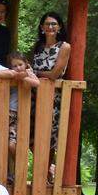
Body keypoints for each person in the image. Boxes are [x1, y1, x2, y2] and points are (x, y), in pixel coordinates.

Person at [32, 12, 71, 163]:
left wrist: (37, 73)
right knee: (32, 134)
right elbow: (28, 67)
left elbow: (55, 74)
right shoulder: (38, 46)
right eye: (47, 24)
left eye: (54, 24)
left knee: (49, 135)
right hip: (33, 96)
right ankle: (41, 168)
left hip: (52, 97)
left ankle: (48, 170)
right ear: (42, 27)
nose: (50, 27)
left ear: (59, 27)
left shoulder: (64, 46)